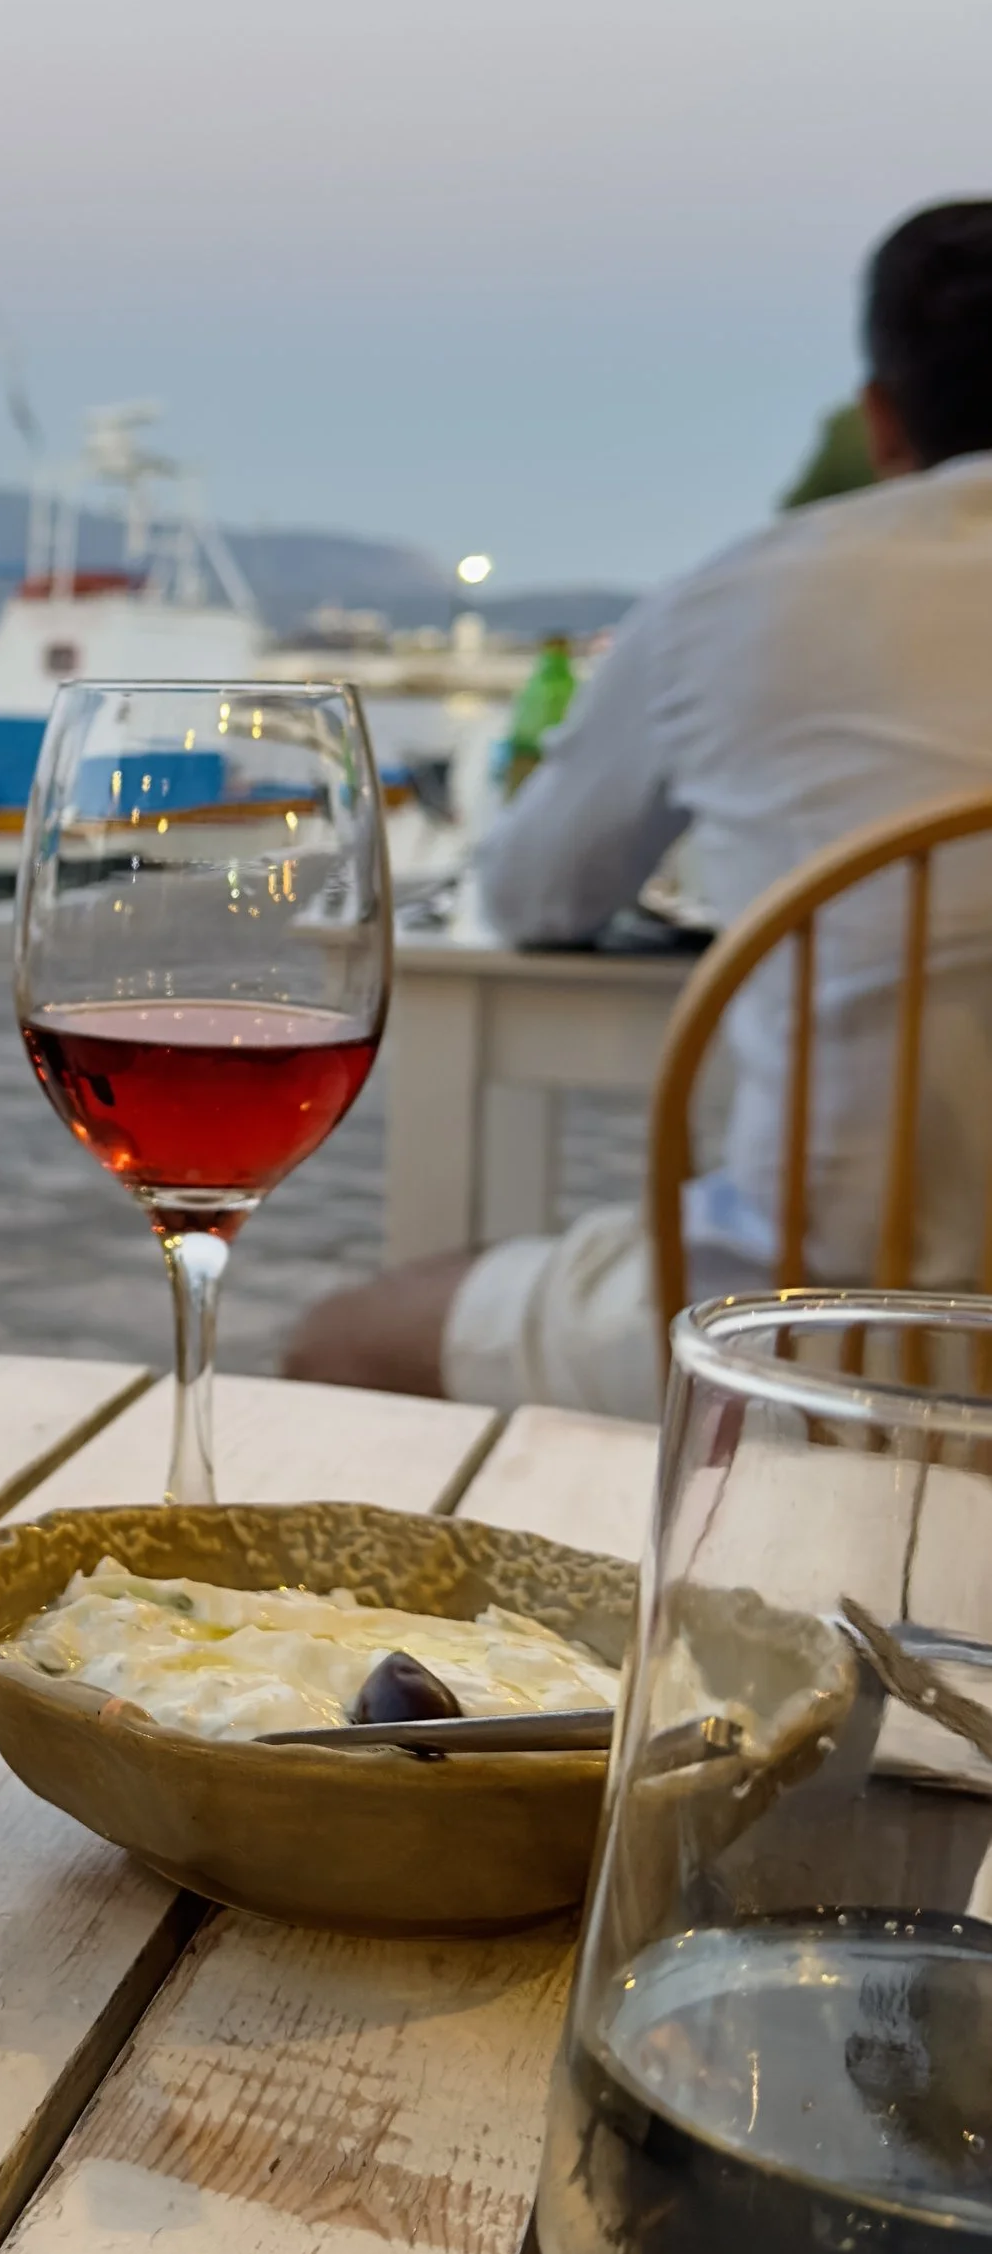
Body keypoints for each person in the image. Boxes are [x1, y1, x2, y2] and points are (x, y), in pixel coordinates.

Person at [286, 199, 992, 1418]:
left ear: (880, 419)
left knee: (344, 1344)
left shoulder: (744, 601)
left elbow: (529, 892)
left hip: (819, 1333)